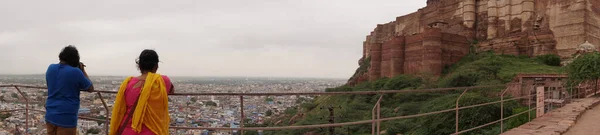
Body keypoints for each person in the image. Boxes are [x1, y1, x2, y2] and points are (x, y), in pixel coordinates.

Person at [109, 49, 174, 135]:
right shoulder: (161, 81)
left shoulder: (128, 83)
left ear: (139, 66)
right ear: (156, 66)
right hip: (152, 131)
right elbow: (172, 90)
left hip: (127, 130)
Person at [45, 45, 94, 135]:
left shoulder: (50, 68)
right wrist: (82, 69)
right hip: (66, 118)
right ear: (75, 59)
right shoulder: (75, 72)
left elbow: (50, 85)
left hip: (50, 114)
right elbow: (90, 88)